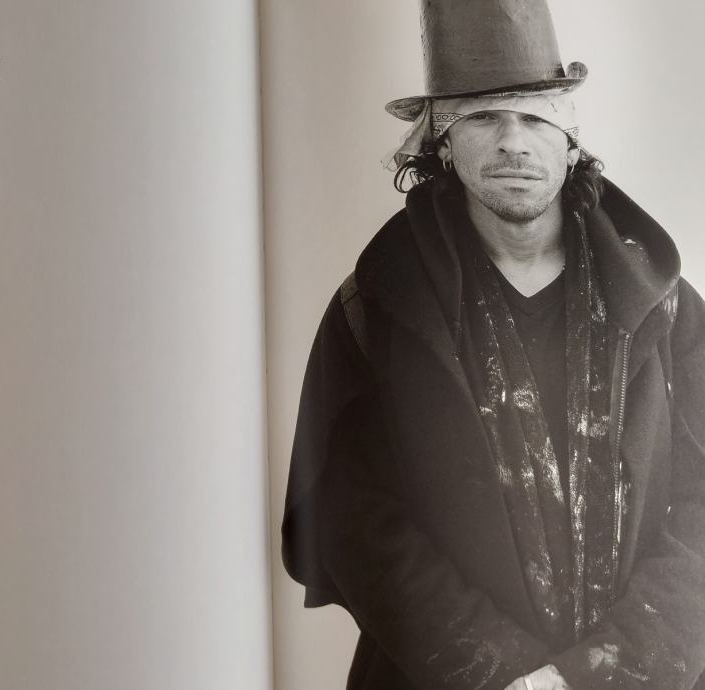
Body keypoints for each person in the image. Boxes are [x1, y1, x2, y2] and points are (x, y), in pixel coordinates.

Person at [281, 1, 705, 688]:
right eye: (483, 117)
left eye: (536, 117)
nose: (513, 142)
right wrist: (504, 676)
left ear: (570, 139)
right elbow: (353, 517)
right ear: (441, 142)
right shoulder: (377, 305)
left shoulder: (662, 302)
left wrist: (602, 673)